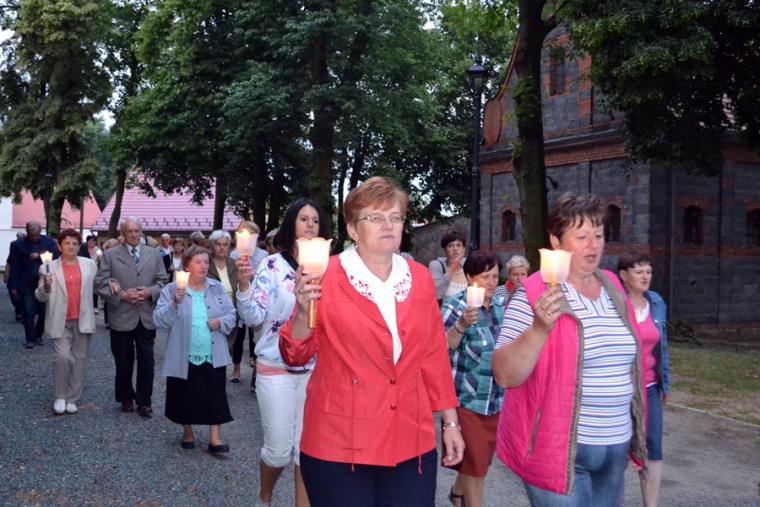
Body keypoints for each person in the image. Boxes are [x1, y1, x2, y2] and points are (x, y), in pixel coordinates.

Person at [278, 177, 464, 507]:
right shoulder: (324, 274)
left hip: (409, 440)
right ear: (353, 229)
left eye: (395, 217)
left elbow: (433, 355)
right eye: (375, 217)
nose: (387, 225)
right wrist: (304, 310)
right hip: (339, 443)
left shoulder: (419, 278)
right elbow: (295, 354)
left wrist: (451, 422)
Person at [492, 192, 647, 506]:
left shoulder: (613, 288)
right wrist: (539, 328)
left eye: (599, 235)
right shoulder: (532, 292)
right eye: (582, 236)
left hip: (615, 447)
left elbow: (633, 365)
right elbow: (504, 374)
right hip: (558, 451)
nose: (594, 245)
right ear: (556, 241)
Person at [235, 199, 330, 507]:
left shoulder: (330, 269)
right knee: (278, 452)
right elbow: (253, 317)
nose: (310, 225)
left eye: (315, 220)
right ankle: (265, 497)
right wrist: (244, 286)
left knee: (307, 451)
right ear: (292, 223)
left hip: (316, 370)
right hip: (276, 367)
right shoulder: (273, 266)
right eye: (304, 219)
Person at [153, 245, 237, 453]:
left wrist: (220, 322)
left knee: (215, 396)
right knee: (184, 396)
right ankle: (188, 432)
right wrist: (174, 303)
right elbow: (159, 320)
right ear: (187, 265)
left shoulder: (216, 287)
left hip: (213, 353)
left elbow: (232, 314)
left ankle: (215, 439)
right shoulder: (172, 289)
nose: (203, 266)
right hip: (183, 354)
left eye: (206, 262)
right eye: (198, 262)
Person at [441, 251, 505, 507]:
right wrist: (461, 325)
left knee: (479, 463)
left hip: (496, 400)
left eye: (495, 277)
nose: (491, 282)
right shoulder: (455, 305)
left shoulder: (501, 306)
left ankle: (457, 494)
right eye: (484, 277)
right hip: (466, 399)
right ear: (469, 277)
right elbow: (441, 348)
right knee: (475, 468)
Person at [95, 217, 168, 418]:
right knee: (123, 361)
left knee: (147, 361)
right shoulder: (110, 255)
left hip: (146, 316)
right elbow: (99, 283)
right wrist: (121, 295)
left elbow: (163, 281)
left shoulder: (154, 254)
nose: (134, 235)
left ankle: (144, 402)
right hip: (121, 315)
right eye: (129, 231)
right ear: (122, 233)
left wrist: (149, 292)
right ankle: (125, 396)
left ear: (141, 231)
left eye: (137, 231)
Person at [618, 252, 670, 507]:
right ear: (623, 275)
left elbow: (663, 347)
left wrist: (665, 384)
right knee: (616, 448)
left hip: (650, 387)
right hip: (620, 386)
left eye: (648, 272)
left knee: (653, 449)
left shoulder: (656, 302)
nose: (645, 276)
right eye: (638, 272)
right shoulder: (614, 304)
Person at [35, 229, 98, 415]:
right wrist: (46, 287)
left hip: (83, 319)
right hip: (59, 319)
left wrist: (112, 283)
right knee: (62, 357)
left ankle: (72, 398)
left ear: (80, 246)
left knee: (79, 360)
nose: (71, 247)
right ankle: (60, 396)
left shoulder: (89, 265)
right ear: (59, 245)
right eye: (67, 243)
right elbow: (40, 296)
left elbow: (98, 285)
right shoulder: (48, 267)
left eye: (75, 243)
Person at [7, 221, 59, 348]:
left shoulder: (48, 242)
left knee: (43, 311)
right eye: (31, 235)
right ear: (27, 232)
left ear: (40, 231)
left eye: (36, 235)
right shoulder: (17, 245)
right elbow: (14, 265)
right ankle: (30, 338)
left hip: (43, 281)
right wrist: (13, 285)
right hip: (25, 282)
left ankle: (38, 335)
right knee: (28, 310)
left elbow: (55, 257)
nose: (34, 237)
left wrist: (39, 255)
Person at [206, 230, 242, 383]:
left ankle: (219, 384)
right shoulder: (205, 263)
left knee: (227, 349)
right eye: (218, 244)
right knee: (212, 351)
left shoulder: (233, 264)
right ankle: (211, 383)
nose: (221, 248)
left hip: (231, 313)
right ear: (212, 245)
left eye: (225, 244)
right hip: (210, 314)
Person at [429, 231, 468, 303]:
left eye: (458, 245)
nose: (455, 248)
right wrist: (452, 269)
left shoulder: (467, 269)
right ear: (445, 250)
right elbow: (436, 294)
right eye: (450, 246)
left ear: (464, 249)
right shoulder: (436, 265)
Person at [5, 231, 27, 322]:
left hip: (25, 274)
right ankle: (19, 311)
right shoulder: (14, 245)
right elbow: (9, 261)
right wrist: (7, 273)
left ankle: (23, 313)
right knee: (14, 294)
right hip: (15, 274)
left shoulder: (29, 247)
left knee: (24, 295)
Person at [78, 235, 102, 314]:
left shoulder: (98, 250)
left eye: (93, 241)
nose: (91, 242)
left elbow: (101, 259)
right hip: (84, 270)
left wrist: (99, 260)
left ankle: (95, 306)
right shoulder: (83, 249)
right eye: (90, 241)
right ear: (87, 241)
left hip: (94, 270)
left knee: (94, 289)